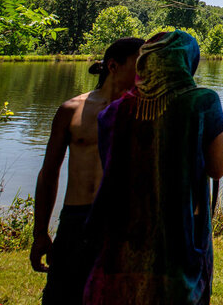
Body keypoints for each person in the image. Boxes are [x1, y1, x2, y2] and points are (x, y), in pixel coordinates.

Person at [84, 30, 223, 305]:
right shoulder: (202, 101)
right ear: (187, 61)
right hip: (179, 233)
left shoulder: (114, 111)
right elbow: (217, 169)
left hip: (121, 233)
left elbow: (112, 168)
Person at [30, 37, 143, 305]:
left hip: (119, 221)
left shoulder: (142, 113)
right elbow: (49, 173)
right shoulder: (71, 110)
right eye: (139, 65)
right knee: (63, 296)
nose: (144, 73)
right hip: (75, 219)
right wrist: (40, 232)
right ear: (113, 66)